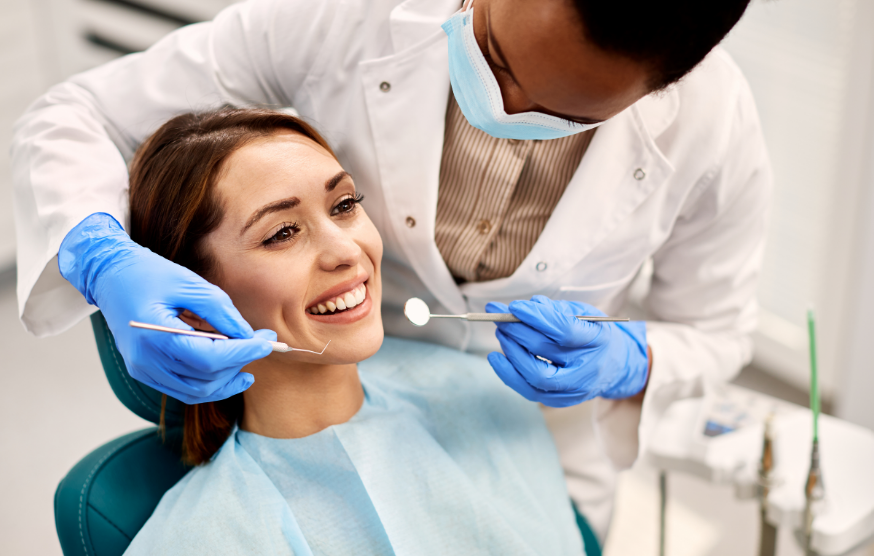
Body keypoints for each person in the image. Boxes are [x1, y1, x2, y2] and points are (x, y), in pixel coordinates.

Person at [11, 0, 770, 538]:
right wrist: (101, 258)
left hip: (522, 440)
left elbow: (717, 329)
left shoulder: (713, 125)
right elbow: (73, 118)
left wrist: (632, 358)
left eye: (346, 205)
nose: (504, 108)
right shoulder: (345, 17)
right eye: (496, 59)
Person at [121, 107, 585, 555]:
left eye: (344, 205)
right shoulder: (200, 540)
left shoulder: (483, 396)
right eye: (282, 232)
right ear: (195, 306)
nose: (347, 249)